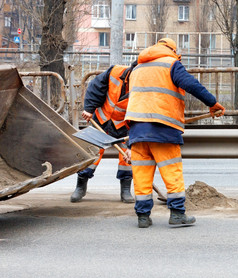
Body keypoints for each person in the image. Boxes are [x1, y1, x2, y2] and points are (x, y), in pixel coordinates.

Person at [125, 38, 225, 228]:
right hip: (162, 129)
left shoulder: (136, 69)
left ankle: (143, 217)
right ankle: (177, 214)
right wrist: (212, 103)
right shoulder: (171, 64)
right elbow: (192, 85)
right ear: (172, 50)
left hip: (137, 131)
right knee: (172, 173)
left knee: (141, 176)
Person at [70, 60, 138, 204]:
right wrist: (89, 109)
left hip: (124, 126)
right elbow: (95, 87)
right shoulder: (115, 71)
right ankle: (80, 186)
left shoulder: (144, 87)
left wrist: (133, 144)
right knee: (92, 152)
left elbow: (140, 116)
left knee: (127, 158)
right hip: (102, 120)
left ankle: (125, 190)